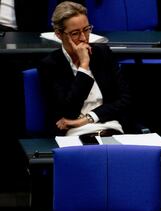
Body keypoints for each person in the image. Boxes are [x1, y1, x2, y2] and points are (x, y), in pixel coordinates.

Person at [39, 1, 141, 137]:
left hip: (112, 128)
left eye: (86, 30)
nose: (83, 38)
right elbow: (68, 112)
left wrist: (86, 119)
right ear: (59, 34)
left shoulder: (103, 54)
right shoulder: (50, 65)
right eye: (75, 33)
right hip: (75, 134)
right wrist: (84, 67)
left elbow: (125, 99)